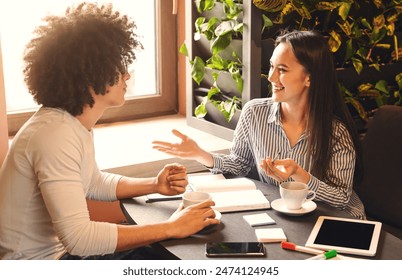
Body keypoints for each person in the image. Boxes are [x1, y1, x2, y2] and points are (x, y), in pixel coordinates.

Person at [0, 2, 218, 260]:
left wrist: (154, 185)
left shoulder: (70, 124)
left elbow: (91, 182)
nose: (126, 75)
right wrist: (172, 227)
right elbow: (80, 241)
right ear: (91, 73)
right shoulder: (54, 135)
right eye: (118, 66)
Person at [153, 30, 366, 219]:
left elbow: (341, 199)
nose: (271, 77)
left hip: (335, 222)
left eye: (282, 69)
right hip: (289, 218)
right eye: (272, 66)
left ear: (309, 78)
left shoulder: (336, 132)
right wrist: (201, 154)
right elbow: (240, 164)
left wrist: (299, 175)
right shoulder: (255, 112)